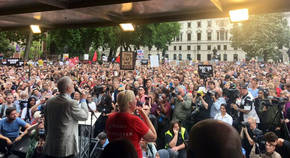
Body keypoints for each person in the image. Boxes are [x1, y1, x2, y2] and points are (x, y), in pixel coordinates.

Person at [44, 76, 89, 158]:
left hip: (50, 145)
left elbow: (46, 123)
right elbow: (85, 116)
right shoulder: (71, 103)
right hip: (66, 148)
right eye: (72, 84)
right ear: (68, 88)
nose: (74, 85)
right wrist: (83, 100)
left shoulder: (49, 101)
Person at [105, 90, 157, 158]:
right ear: (129, 103)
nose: (136, 101)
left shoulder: (110, 118)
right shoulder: (134, 120)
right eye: (134, 99)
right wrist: (144, 116)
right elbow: (153, 137)